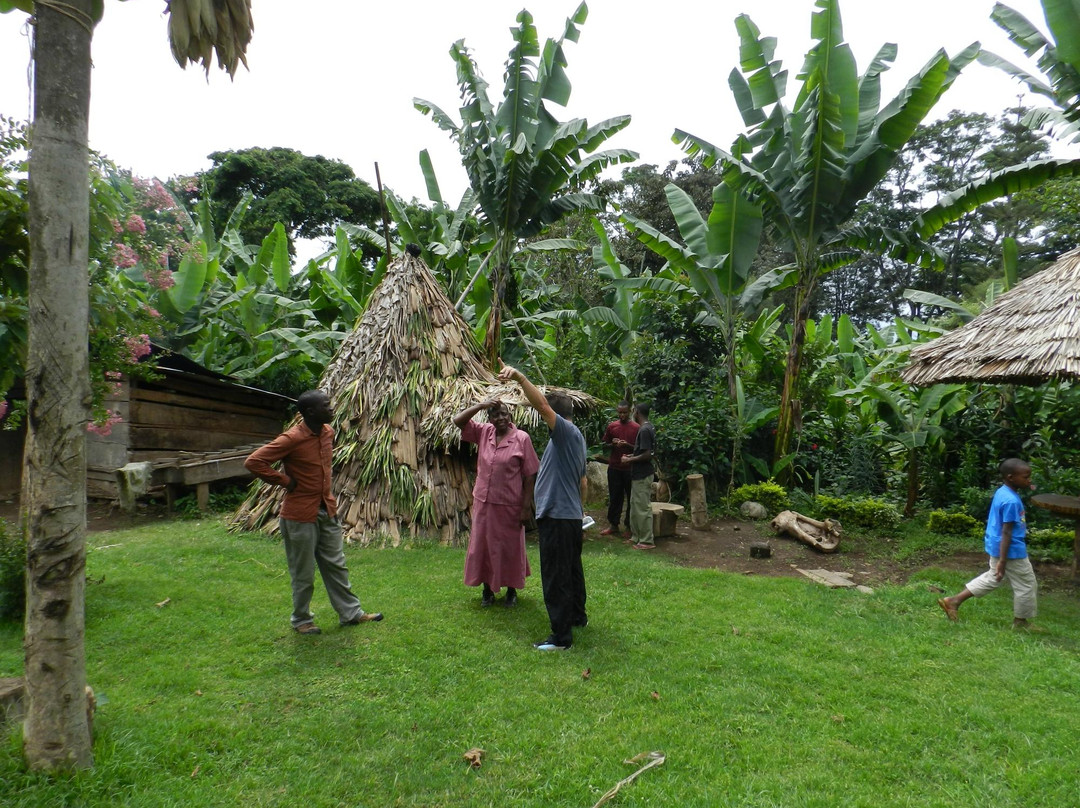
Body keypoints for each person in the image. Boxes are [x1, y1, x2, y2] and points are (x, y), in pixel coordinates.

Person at [244, 389, 382, 635]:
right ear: (310, 412)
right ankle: (301, 620)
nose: (331, 409)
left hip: (326, 509)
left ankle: (351, 613)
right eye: (326, 406)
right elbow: (254, 461)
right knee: (303, 571)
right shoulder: (292, 438)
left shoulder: (328, 432)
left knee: (336, 565)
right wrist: (285, 481)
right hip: (299, 515)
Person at [497, 361, 587, 651]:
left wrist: (521, 377)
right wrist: (580, 513)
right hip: (569, 515)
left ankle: (560, 638)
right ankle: (576, 616)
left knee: (555, 575)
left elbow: (543, 408)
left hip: (559, 517)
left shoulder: (564, 433)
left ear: (557, 416)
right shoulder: (577, 439)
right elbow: (583, 482)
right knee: (571, 570)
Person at [453, 399, 539, 607]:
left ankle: (511, 591)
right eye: (495, 415)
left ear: (510, 416)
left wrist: (526, 507)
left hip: (510, 504)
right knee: (483, 546)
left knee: (509, 547)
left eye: (504, 414)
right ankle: (487, 590)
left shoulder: (521, 439)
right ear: (489, 418)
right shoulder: (484, 433)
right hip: (484, 501)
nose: (500, 418)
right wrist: (480, 406)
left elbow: (529, 476)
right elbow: (458, 421)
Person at [937, 458, 1038, 629]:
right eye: (1025, 477)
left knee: (994, 576)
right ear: (1011, 477)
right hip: (1011, 550)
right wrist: (1003, 561)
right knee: (1027, 584)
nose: (1029, 480)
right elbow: (1007, 531)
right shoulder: (1011, 501)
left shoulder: (1003, 492)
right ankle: (1021, 622)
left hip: (997, 545)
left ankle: (953, 601)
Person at [600, 401, 639, 538]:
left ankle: (629, 526)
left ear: (630, 412)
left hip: (629, 468)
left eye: (625, 412)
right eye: (620, 412)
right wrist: (613, 444)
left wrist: (627, 444)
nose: (622, 415)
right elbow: (605, 445)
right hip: (614, 467)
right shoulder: (612, 426)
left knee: (631, 498)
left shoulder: (636, 428)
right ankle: (613, 524)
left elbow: (640, 449)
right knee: (615, 497)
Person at [623, 403, 656, 550]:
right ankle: (636, 536)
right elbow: (642, 451)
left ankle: (647, 541)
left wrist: (630, 459)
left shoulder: (644, 430)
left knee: (642, 507)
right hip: (638, 475)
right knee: (635, 506)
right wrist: (632, 455)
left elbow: (648, 455)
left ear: (637, 412)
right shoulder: (648, 428)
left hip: (643, 475)